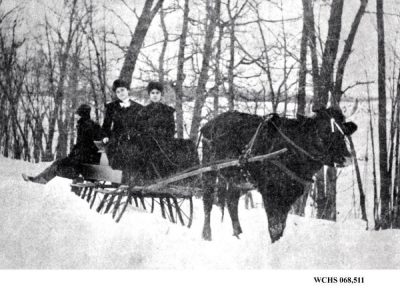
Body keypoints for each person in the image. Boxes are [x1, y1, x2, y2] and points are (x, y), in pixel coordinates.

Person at [22, 104, 103, 184]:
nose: (76, 117)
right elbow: (82, 146)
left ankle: (38, 181)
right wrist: (72, 157)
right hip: (84, 162)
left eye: (78, 115)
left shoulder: (85, 126)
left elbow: (83, 147)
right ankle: (39, 180)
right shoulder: (89, 125)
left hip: (83, 164)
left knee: (57, 165)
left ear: (82, 115)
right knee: (57, 164)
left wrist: (71, 158)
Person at [102, 79, 143, 172]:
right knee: (118, 155)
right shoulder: (111, 107)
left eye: (122, 90)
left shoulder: (138, 108)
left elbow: (141, 126)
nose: (121, 93)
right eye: (118, 92)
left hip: (133, 139)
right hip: (117, 139)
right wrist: (105, 136)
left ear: (128, 90)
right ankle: (119, 179)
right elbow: (106, 125)